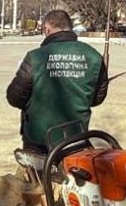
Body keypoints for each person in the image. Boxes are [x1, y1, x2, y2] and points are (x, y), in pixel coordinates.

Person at [6, 10, 109, 153]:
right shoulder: (94, 57)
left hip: (38, 138)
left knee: (36, 174)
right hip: (76, 137)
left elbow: (14, 97)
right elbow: (97, 98)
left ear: (47, 29)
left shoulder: (36, 57)